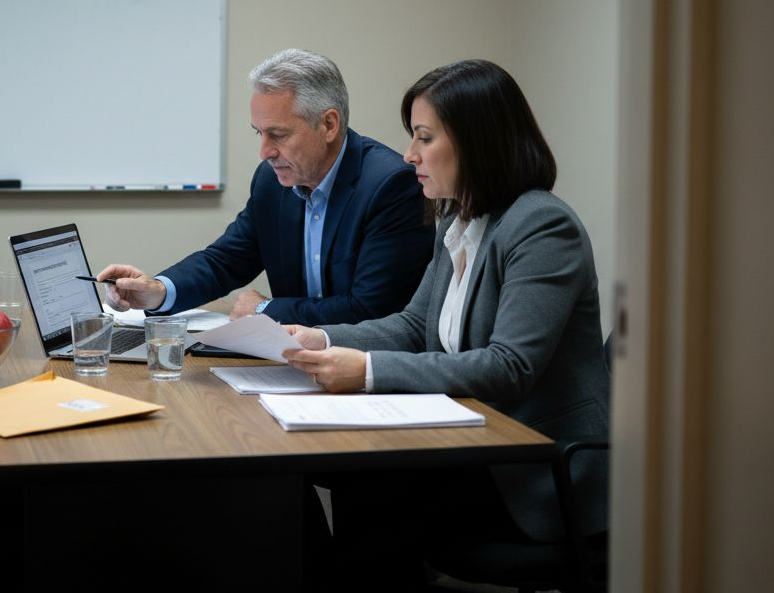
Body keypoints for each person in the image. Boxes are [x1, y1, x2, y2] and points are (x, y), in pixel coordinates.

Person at [283, 59, 610, 583]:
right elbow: (416, 327)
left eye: (424, 137)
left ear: (478, 142)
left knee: (368, 492)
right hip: (478, 447)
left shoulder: (543, 226)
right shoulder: (459, 218)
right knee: (335, 477)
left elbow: (509, 367)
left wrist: (365, 370)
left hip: (537, 473)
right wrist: (317, 338)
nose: (409, 154)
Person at [99, 48, 432, 324]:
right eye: (260, 133)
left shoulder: (391, 185)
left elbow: (372, 310)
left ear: (329, 124)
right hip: (294, 365)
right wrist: (158, 290)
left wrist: (265, 310)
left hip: (368, 375)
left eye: (279, 134)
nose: (265, 152)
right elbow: (225, 260)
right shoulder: (273, 182)